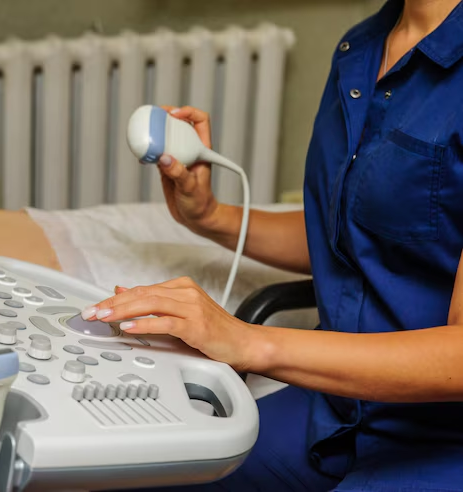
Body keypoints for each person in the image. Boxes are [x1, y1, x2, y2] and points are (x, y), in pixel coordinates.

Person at [78, 0, 463, 490]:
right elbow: (355, 238)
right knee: (152, 473)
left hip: (442, 438)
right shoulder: (362, 50)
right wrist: (212, 217)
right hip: (335, 409)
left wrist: (249, 342)